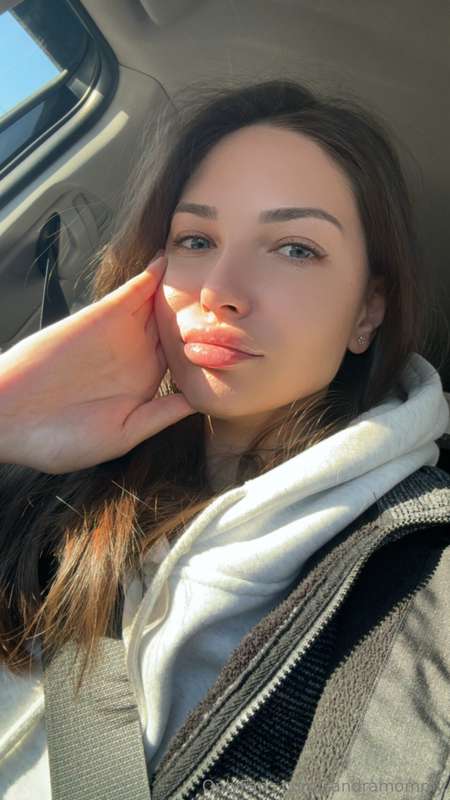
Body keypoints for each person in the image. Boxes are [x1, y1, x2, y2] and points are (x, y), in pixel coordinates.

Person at [0, 78, 449, 800]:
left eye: (295, 248)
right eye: (196, 240)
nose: (220, 289)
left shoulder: (422, 578)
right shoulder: (51, 473)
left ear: (368, 311)